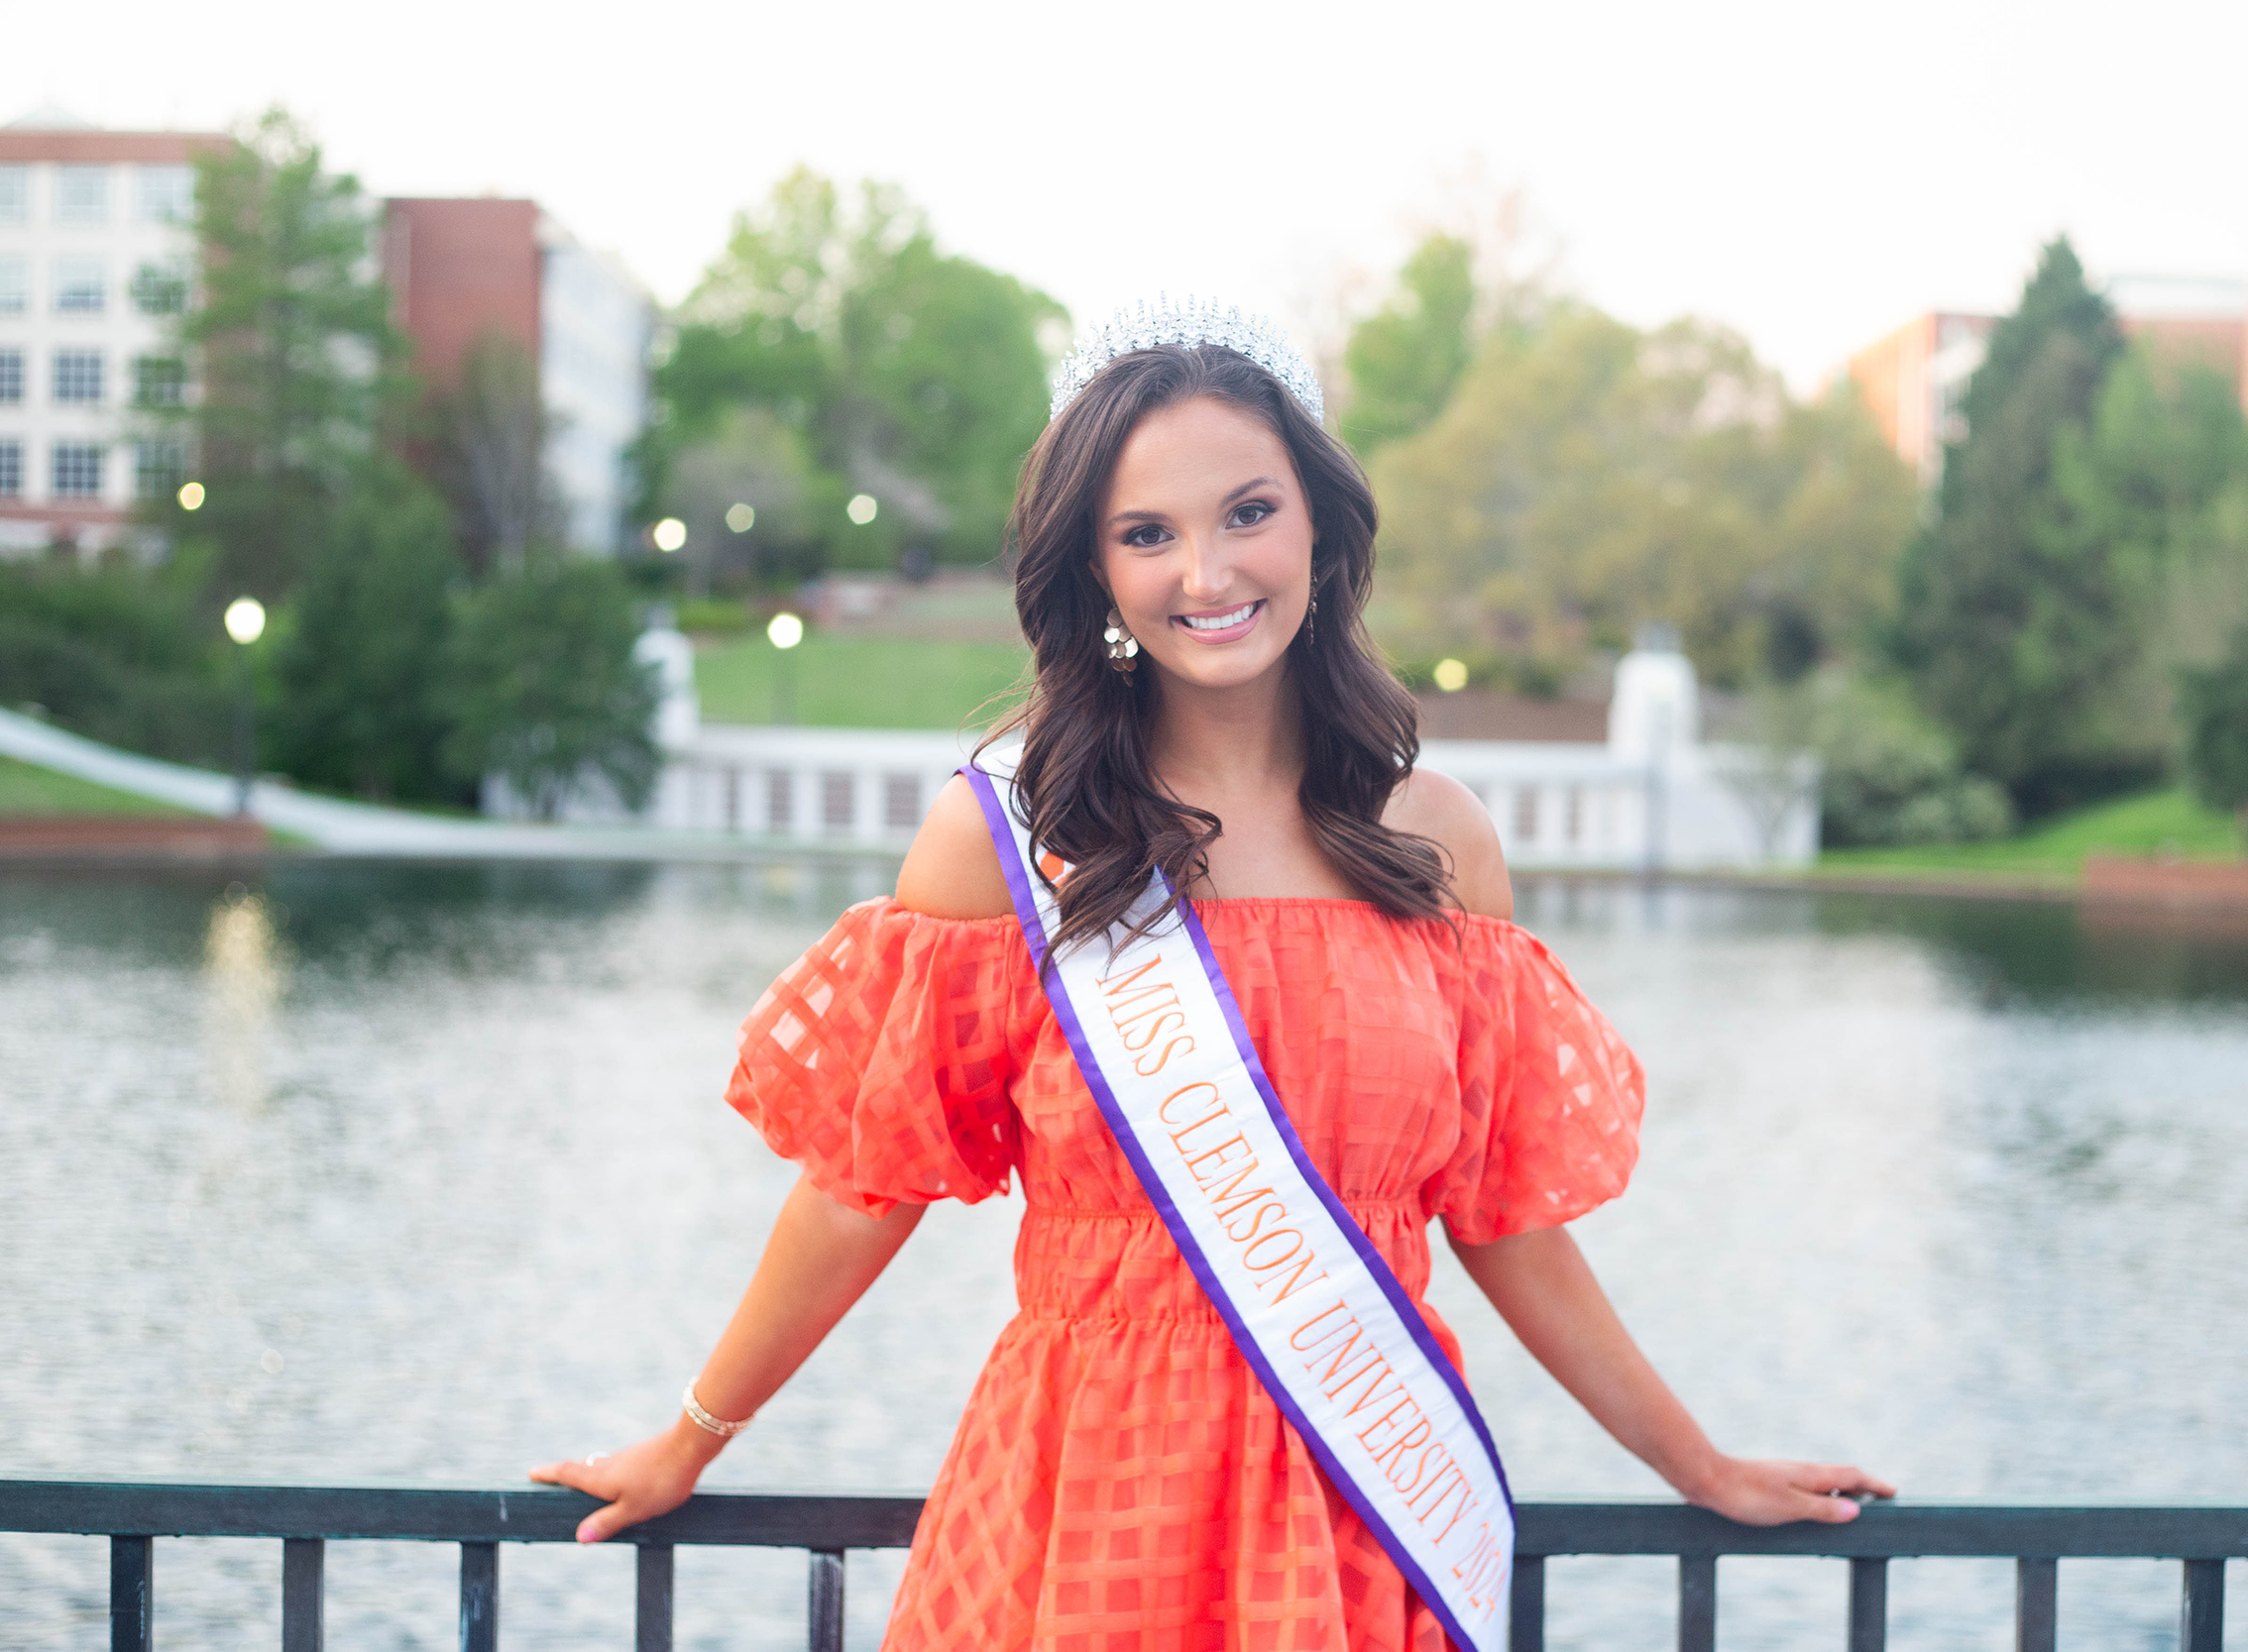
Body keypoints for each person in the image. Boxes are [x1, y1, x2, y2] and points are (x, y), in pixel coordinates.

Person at [532, 301, 1892, 1649]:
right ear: (1096, 568)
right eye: (1147, 533)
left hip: (1360, 1505)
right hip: (1082, 1507)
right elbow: (856, 1194)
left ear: (1320, 525)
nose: (1207, 570)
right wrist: (688, 1438)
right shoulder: (1011, 839)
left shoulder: (1437, 843)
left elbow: (1501, 1220)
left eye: (1248, 512)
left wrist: (1696, 1462)